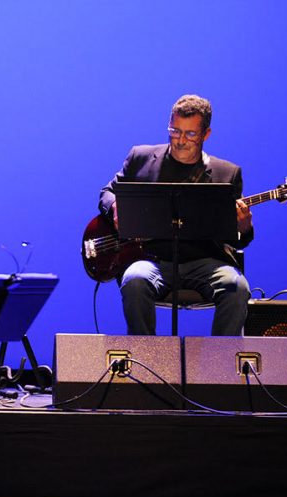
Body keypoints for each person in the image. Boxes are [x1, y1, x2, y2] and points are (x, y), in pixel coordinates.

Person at [99, 94, 253, 336]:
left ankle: (220, 368)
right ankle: (146, 364)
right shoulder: (140, 157)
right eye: (174, 131)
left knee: (237, 286)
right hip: (152, 260)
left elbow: (234, 240)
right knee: (135, 279)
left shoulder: (227, 173)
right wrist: (115, 205)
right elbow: (107, 192)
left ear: (206, 135)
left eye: (190, 134)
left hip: (204, 262)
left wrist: (244, 228)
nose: (181, 140)